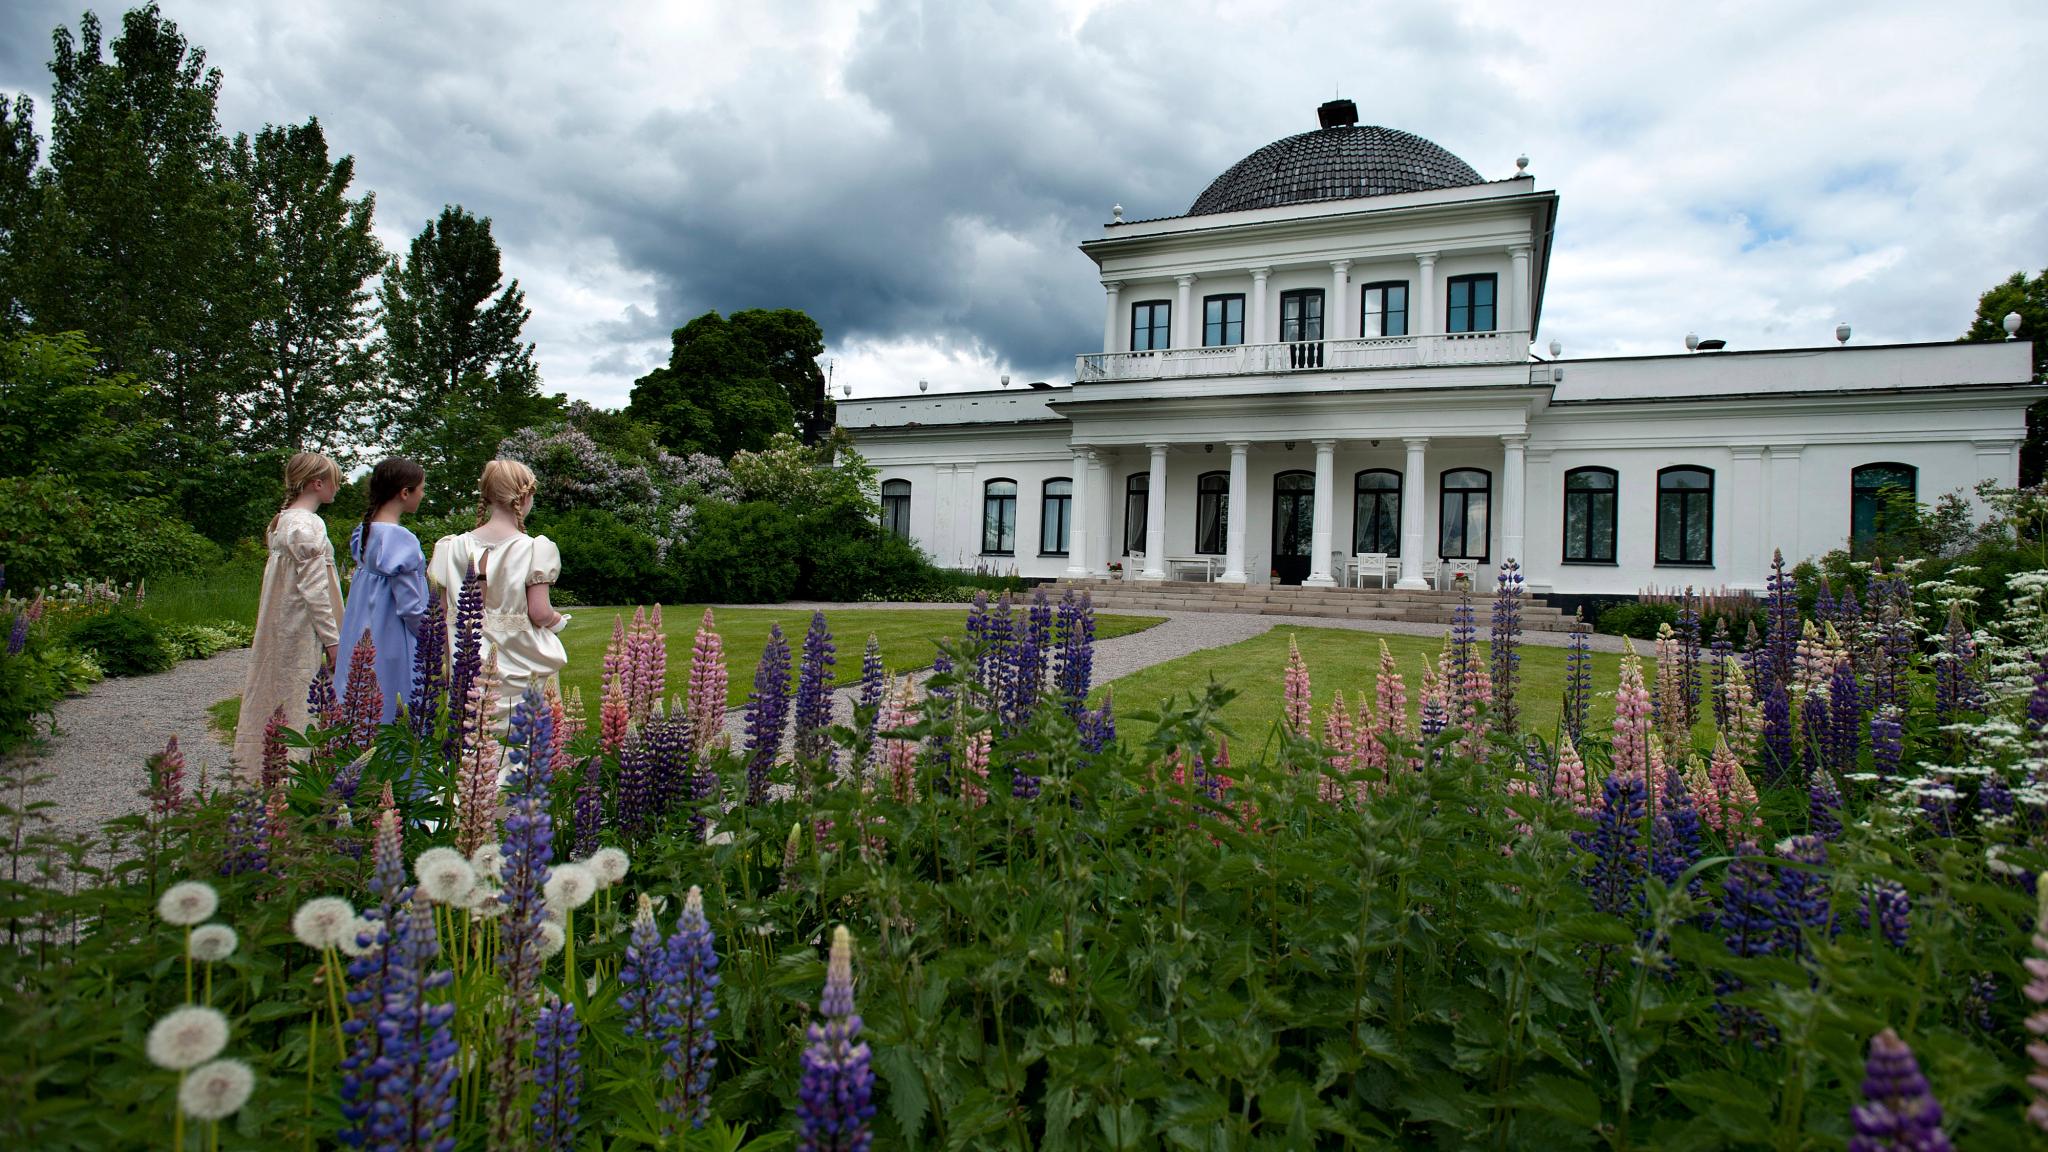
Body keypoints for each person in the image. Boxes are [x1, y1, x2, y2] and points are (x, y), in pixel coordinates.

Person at [428, 458, 569, 729]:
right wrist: (558, 622)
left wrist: (447, 664)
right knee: (524, 748)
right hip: (521, 661)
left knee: (471, 748)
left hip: (467, 663)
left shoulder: (451, 547)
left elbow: (441, 613)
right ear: (525, 497)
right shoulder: (534, 549)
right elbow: (539, 612)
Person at [234, 450, 345, 773]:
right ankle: (291, 776)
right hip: (300, 625)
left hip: (281, 623)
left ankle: (266, 770)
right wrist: (332, 639)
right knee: (299, 697)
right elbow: (315, 590)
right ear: (316, 483)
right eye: (334, 482)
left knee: (276, 692)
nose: (337, 488)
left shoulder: (283, 521)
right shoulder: (306, 525)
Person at [335, 458, 429, 725]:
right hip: (393, 638)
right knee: (391, 702)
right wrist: (430, 637)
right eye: (421, 489)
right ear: (404, 492)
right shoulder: (400, 539)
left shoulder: (364, 532)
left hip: (361, 633)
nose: (422, 495)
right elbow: (411, 608)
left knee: (359, 698)